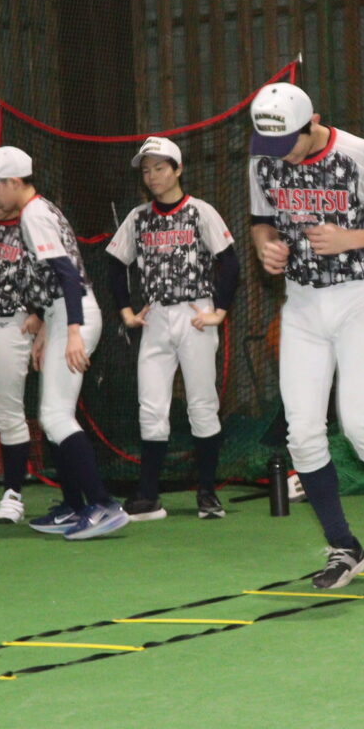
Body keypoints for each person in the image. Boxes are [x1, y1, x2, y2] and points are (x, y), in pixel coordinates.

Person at [246, 81, 364, 590]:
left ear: (312, 123)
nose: (279, 153)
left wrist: (353, 238)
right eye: (270, 144)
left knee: (362, 424)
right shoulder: (264, 156)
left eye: (288, 141)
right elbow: (262, 221)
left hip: (359, 299)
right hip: (302, 305)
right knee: (302, 434)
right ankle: (344, 547)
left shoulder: (358, 154)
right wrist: (266, 247)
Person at [0, 147, 127, 540]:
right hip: (58, 315)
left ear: (13, 182)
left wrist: (73, 331)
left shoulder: (34, 214)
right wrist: (48, 329)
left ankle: (103, 504)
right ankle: (74, 506)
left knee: (55, 417)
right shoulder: (34, 211)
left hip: (73, 313)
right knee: (53, 415)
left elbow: (68, 274)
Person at [107, 136, 239, 521]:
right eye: (146, 170)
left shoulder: (200, 211)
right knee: (151, 405)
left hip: (195, 314)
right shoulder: (138, 217)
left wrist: (220, 312)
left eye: (160, 168)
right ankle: (148, 497)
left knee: (202, 404)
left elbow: (230, 262)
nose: (152, 176)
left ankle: (207, 494)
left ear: (178, 169)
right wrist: (126, 310)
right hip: (156, 318)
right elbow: (115, 262)